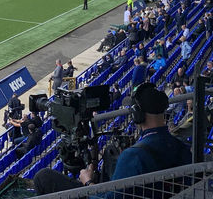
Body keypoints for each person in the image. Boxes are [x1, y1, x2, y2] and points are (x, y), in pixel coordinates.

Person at [33, 83, 191, 194]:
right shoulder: (181, 147)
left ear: (137, 114)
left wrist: (88, 182)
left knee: (43, 176)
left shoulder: (134, 156)